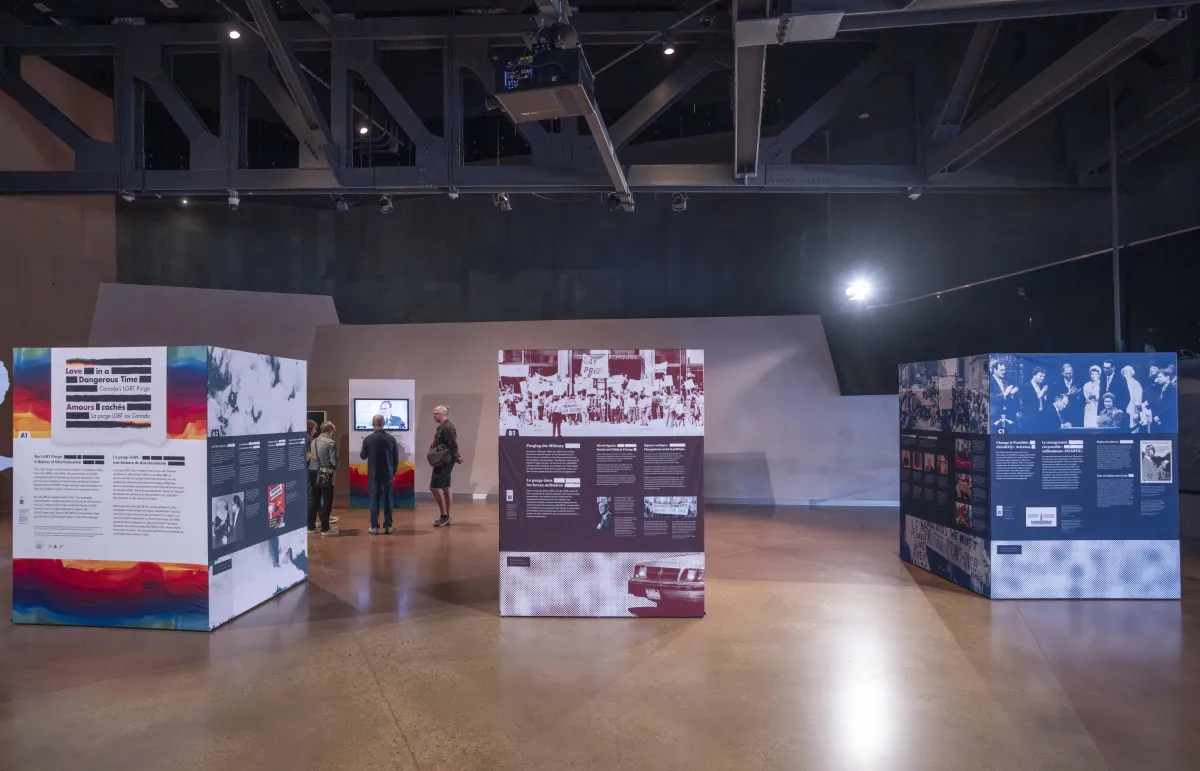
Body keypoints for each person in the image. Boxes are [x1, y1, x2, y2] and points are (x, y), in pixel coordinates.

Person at [361, 413, 400, 535]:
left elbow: (363, 456)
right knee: (388, 499)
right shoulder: (391, 439)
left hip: (373, 474)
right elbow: (396, 459)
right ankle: (388, 526)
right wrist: (392, 473)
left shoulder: (368, 439)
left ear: (373, 424)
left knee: (374, 500)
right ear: (384, 424)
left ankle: (374, 527)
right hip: (387, 473)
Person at [430, 405, 463, 527]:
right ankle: (446, 517)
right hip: (443, 461)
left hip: (444, 462)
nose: (434, 416)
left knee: (434, 487)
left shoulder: (448, 427)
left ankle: (444, 516)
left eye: (435, 413)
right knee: (446, 488)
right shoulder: (443, 427)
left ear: (441, 414)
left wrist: (456, 457)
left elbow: (453, 444)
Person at [309, 421, 341, 536]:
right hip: (325, 473)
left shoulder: (313, 441)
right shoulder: (331, 443)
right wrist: (337, 464)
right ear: (330, 431)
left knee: (314, 500)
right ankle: (325, 529)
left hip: (312, 472)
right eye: (332, 432)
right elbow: (334, 461)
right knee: (327, 500)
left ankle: (311, 526)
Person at [1120, 365, 1143, 429]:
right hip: (1124, 406)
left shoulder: (1135, 383)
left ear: (1131, 374)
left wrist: (1136, 411)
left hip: (1132, 406)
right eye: (1124, 373)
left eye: (1127, 373)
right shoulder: (1122, 382)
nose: (1126, 375)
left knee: (1132, 423)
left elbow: (1138, 397)